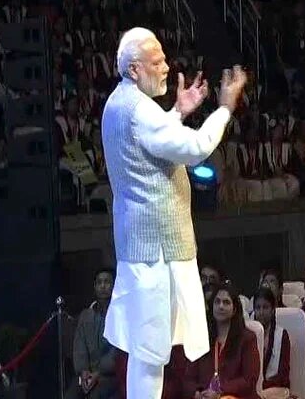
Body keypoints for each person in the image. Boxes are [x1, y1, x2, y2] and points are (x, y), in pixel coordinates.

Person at [101, 27, 247, 399]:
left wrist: (178, 112)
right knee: (150, 354)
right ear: (134, 69)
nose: (167, 67)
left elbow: (149, 141)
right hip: (157, 251)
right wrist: (225, 108)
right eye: (157, 62)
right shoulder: (139, 111)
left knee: (146, 352)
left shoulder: (119, 102)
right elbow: (196, 148)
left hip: (142, 245)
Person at [183, 284, 261, 399]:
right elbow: (188, 378)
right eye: (217, 302)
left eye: (226, 302)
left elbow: (249, 380)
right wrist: (196, 393)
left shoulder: (247, 339)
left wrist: (219, 392)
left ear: (234, 309)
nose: (221, 306)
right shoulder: (201, 338)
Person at [67, 269, 118, 399]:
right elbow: (80, 346)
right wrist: (83, 370)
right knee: (71, 394)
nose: (103, 286)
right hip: (87, 374)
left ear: (114, 286)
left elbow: (117, 351)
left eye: (107, 282)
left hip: (109, 374)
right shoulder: (86, 315)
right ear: (95, 287)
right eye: (99, 282)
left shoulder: (119, 315)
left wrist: (99, 372)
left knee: (96, 395)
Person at [252, 288, 291, 393]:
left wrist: (263, 386)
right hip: (251, 389)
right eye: (258, 308)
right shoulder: (247, 334)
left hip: (275, 389)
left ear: (273, 309)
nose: (261, 312)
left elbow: (283, 375)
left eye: (265, 307)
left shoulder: (282, 335)